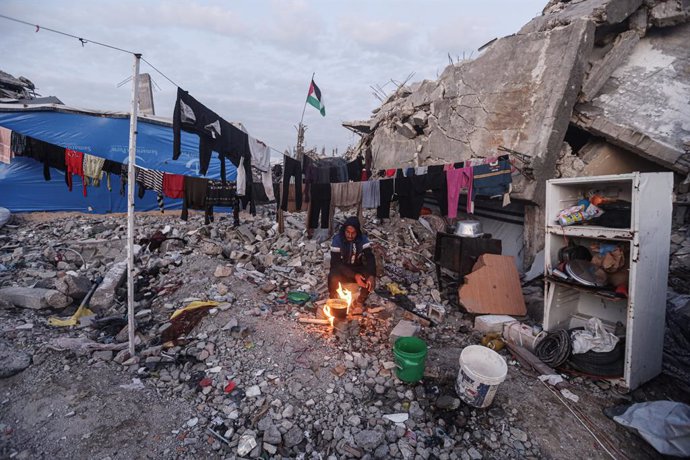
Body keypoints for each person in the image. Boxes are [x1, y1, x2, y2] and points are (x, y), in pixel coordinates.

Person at [328, 216, 377, 308]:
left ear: (357, 232)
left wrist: (371, 275)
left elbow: (370, 258)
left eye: (353, 233)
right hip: (342, 269)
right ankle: (333, 298)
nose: (350, 236)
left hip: (357, 267)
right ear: (344, 230)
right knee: (333, 275)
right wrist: (354, 275)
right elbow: (335, 263)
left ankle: (360, 301)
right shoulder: (337, 240)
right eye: (348, 232)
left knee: (368, 275)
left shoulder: (363, 239)